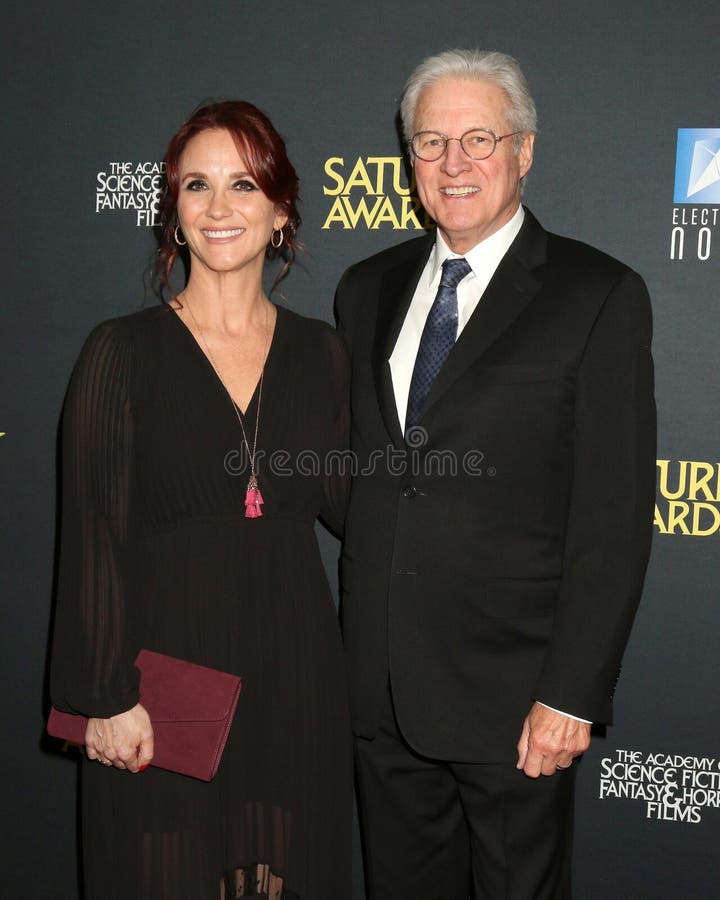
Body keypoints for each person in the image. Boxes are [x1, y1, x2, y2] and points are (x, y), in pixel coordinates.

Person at [335, 49, 656, 899]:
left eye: (480, 138)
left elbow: (614, 519)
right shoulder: (364, 289)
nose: (454, 163)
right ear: (409, 161)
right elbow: (369, 478)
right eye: (431, 142)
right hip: (384, 697)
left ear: (526, 150)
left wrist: (572, 695)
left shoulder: (598, 294)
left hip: (517, 706)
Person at [50, 100, 351, 900]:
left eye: (244, 185)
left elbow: (358, 507)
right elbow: (93, 533)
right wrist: (103, 699)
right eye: (198, 186)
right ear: (174, 213)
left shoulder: (323, 354)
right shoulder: (121, 352)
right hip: (161, 689)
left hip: (295, 686)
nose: (220, 208)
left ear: (281, 210)